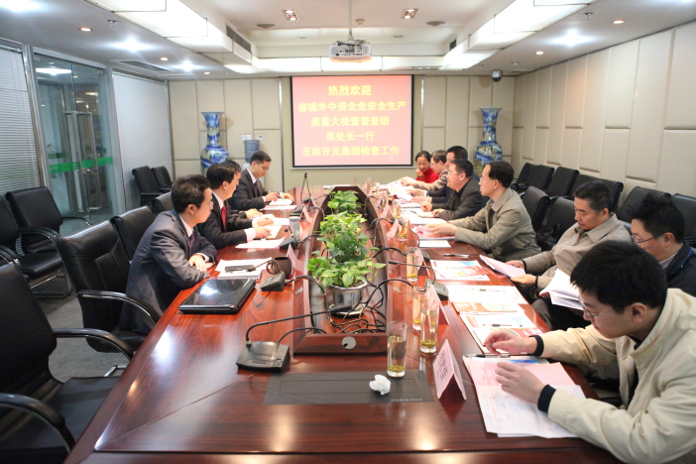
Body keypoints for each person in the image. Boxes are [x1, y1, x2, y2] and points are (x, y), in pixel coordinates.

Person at [485, 241, 696, 464]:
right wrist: (529, 344)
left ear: (636, 312)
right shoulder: (650, 306)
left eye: (593, 312)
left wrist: (544, 396)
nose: (586, 317)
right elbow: (591, 340)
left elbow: (646, 443)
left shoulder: (688, 356)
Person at [508, 181, 631, 330]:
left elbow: (588, 289)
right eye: (575, 210)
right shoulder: (585, 223)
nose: (576, 217)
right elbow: (553, 254)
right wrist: (524, 264)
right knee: (505, 287)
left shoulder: (615, 243)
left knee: (536, 310)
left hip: (570, 304)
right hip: (544, 285)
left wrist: (537, 281)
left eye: (583, 212)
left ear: (604, 213)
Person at [122, 174, 217, 334]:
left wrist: (198, 256)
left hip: (173, 294)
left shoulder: (185, 220)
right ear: (191, 208)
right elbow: (185, 277)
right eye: (209, 203)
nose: (211, 207)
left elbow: (208, 246)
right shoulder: (165, 231)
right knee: (208, 330)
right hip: (154, 311)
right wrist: (202, 270)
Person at [427, 161, 540, 262]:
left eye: (483, 178)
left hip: (517, 261)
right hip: (500, 256)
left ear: (495, 184)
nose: (479, 182)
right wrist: (446, 224)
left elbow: (488, 240)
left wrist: (455, 230)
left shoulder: (513, 210)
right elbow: (475, 221)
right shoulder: (497, 198)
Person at [629, 194, 696, 296]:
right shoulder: (646, 259)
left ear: (667, 239)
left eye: (639, 240)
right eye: (633, 238)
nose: (635, 246)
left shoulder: (687, 286)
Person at [198, 160, 275, 249]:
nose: (237, 183)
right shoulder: (208, 204)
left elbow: (230, 222)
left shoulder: (221, 199)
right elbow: (216, 239)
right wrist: (252, 233)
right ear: (225, 185)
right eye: (236, 180)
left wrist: (255, 222)